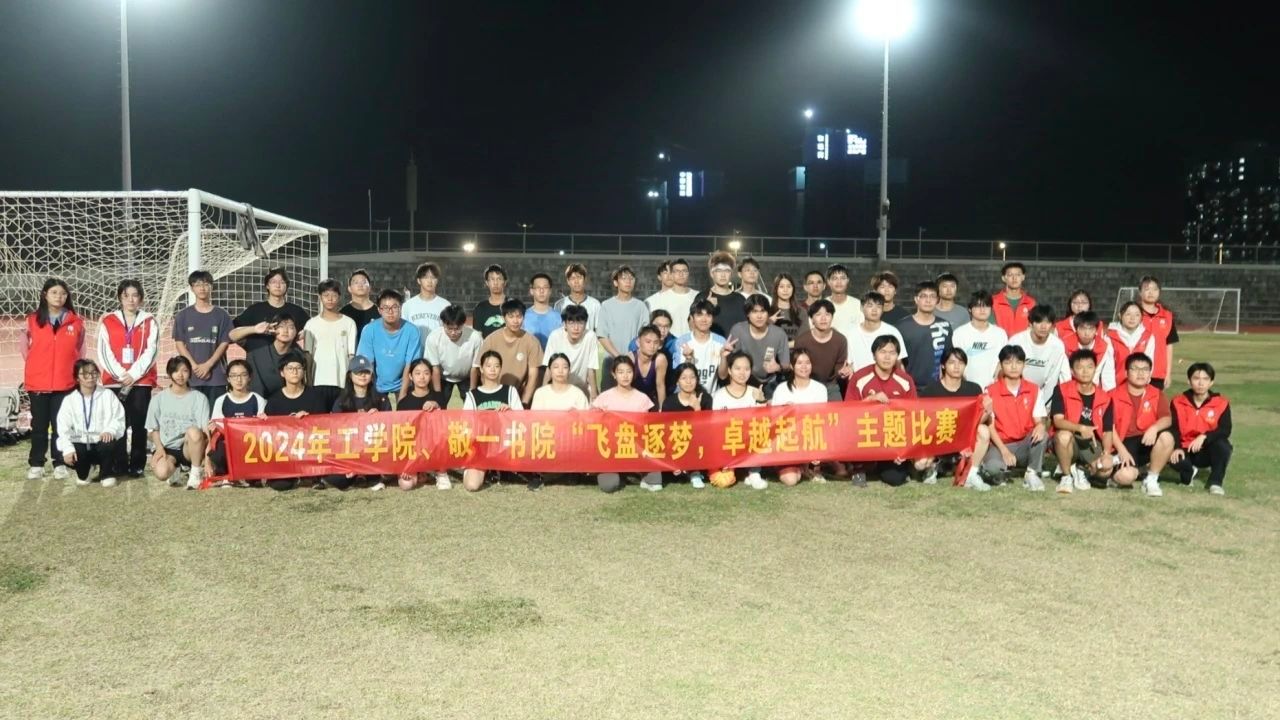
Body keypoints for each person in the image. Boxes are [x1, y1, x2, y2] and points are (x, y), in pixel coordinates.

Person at [21, 278, 85, 481]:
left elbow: (80, 350)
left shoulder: (76, 321)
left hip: (65, 383)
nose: (59, 297)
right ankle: (37, 463)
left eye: (63, 293)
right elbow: (24, 349)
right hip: (38, 383)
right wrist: (37, 366)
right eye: (54, 292)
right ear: (45, 295)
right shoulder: (32, 320)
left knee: (61, 427)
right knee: (39, 426)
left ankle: (60, 463)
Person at [97, 279, 159, 479]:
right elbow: (103, 351)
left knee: (140, 424)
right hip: (114, 381)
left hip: (140, 381)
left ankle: (137, 465)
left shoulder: (150, 321)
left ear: (141, 298)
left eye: (135, 295)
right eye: (126, 296)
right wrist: (119, 375)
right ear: (120, 298)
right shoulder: (108, 321)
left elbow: (152, 350)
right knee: (117, 424)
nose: (131, 300)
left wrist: (134, 374)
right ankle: (119, 463)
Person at [846, 336, 921, 487]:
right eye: (883, 352)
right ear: (874, 355)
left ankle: (888, 464)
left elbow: (913, 416)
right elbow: (848, 412)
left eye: (892, 353)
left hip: (893, 436)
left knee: (895, 479)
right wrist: (869, 400)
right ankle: (859, 468)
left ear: (897, 356)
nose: (887, 357)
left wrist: (903, 449)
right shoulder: (860, 377)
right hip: (866, 433)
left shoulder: (905, 380)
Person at [920, 348, 994, 491]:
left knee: (983, 430)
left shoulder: (973, 389)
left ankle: (971, 474)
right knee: (920, 464)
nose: (956, 366)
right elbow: (922, 421)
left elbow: (978, 420)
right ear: (943, 365)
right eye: (952, 362)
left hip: (964, 437)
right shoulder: (931, 390)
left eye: (960, 363)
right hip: (937, 436)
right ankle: (933, 467)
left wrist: (987, 410)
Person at [1103, 353, 1174, 497]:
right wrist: (1122, 450)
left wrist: (1154, 428)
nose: (1140, 373)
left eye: (1145, 369)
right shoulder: (1112, 395)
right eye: (1135, 369)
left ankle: (1151, 479)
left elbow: (1167, 419)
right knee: (1126, 477)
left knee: (1167, 437)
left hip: (1146, 441)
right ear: (1126, 372)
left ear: (1150, 374)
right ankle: (1131, 472)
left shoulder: (1157, 393)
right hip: (1123, 443)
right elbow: (1110, 427)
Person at [982, 345, 1049, 491]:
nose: (1013, 367)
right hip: (1000, 444)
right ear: (1001, 365)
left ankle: (1032, 473)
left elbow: (1038, 420)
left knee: (1043, 434)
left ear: (1024, 365)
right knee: (993, 469)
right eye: (1008, 362)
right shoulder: (990, 391)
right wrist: (1004, 451)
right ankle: (1002, 470)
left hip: (1024, 443)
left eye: (1018, 362)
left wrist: (1040, 425)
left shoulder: (1034, 389)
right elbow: (990, 426)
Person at [262, 352, 330, 491]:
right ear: (282, 373)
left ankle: (311, 476)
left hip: (310, 450)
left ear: (304, 371)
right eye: (290, 368)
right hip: (284, 452)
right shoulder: (274, 400)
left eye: (298, 368)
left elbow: (324, 426)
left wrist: (308, 420)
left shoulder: (315, 397)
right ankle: (294, 476)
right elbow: (269, 432)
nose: (294, 371)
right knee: (280, 485)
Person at [325, 355, 394, 491]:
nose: (363, 375)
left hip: (373, 449)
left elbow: (390, 428)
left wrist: (378, 419)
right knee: (335, 479)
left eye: (366, 372)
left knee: (388, 469)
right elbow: (334, 430)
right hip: (349, 450)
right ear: (350, 376)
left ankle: (366, 474)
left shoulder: (381, 399)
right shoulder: (341, 401)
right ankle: (358, 473)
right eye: (358, 372)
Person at [1050, 350, 1114, 494]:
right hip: (1070, 439)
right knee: (1063, 436)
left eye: (1089, 367)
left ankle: (1081, 469)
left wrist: (1106, 452)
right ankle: (1066, 476)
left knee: (1105, 470)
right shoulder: (1061, 390)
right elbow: (1058, 421)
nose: (1085, 371)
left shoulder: (1105, 398)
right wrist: (1081, 428)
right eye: (1080, 367)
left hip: (1092, 443)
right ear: (1072, 371)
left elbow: (1107, 430)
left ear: (1095, 369)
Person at [55, 360, 126, 487]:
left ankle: (106, 473)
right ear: (77, 378)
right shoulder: (69, 400)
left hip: (101, 440)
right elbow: (63, 428)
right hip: (81, 440)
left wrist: (110, 430)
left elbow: (119, 418)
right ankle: (86, 470)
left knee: (108, 442)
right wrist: (68, 448)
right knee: (81, 478)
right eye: (85, 374)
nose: (90, 377)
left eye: (94, 373)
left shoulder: (107, 395)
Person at [462, 350, 525, 492]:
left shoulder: (510, 391)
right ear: (481, 369)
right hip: (481, 447)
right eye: (488, 366)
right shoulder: (472, 395)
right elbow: (466, 425)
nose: (492, 369)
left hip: (505, 445)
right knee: (472, 485)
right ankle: (478, 469)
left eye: (496, 366)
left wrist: (510, 412)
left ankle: (498, 469)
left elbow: (522, 422)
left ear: (501, 369)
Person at [145, 356, 211, 490]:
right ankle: (176, 470)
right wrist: (159, 448)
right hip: (168, 448)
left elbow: (206, 431)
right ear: (169, 374)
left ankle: (195, 473)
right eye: (175, 371)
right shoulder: (158, 399)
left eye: (185, 371)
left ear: (190, 373)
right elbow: (152, 429)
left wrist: (208, 458)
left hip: (189, 447)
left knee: (193, 431)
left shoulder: (200, 398)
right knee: (161, 473)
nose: (180, 375)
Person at [530, 352, 592, 492]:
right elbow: (534, 421)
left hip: (571, 440)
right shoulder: (541, 393)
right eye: (556, 367)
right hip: (547, 438)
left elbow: (587, 422)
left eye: (564, 367)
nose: (560, 371)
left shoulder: (577, 393)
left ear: (569, 370)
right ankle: (538, 475)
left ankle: (573, 472)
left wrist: (577, 417)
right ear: (550, 370)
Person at [1169, 362, 1232, 496]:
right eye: (1196, 378)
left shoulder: (1221, 403)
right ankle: (1188, 473)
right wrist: (1177, 447)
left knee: (1223, 445)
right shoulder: (1177, 401)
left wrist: (1204, 437)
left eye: (1205, 379)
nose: (1201, 383)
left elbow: (1225, 429)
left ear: (1211, 382)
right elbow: (1173, 427)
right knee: (1173, 458)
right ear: (1189, 381)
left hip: (1206, 449)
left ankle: (1215, 482)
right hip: (1185, 448)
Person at [771, 348, 830, 485]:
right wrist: (785, 411)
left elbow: (821, 419)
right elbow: (774, 421)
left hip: (810, 437)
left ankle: (811, 466)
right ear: (792, 366)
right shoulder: (782, 389)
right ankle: (797, 467)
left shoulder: (820, 389)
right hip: (788, 441)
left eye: (807, 363)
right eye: (799, 363)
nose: (804, 366)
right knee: (790, 480)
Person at [172, 270, 233, 405]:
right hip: (191, 376)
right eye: (198, 284)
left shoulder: (222, 315)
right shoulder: (183, 315)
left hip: (216, 377)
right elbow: (179, 343)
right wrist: (194, 366)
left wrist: (208, 365)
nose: (202, 288)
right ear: (192, 288)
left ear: (211, 286)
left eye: (206, 284)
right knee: (192, 414)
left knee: (214, 415)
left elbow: (224, 343)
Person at [203, 359, 267, 486]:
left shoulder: (258, 400)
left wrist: (264, 420)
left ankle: (250, 475)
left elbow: (263, 430)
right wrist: (207, 460)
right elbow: (215, 432)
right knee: (219, 448)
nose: (239, 379)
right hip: (229, 443)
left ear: (250, 377)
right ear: (228, 379)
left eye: (243, 375)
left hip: (250, 444)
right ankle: (226, 475)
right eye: (234, 376)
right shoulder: (221, 400)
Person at [711, 351, 768, 490]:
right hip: (728, 441)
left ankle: (754, 472)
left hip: (750, 440)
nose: (742, 373)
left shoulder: (755, 392)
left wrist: (761, 401)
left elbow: (763, 423)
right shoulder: (719, 396)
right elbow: (715, 426)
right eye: (738, 368)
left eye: (747, 369)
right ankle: (735, 469)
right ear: (729, 370)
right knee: (725, 480)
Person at [356, 289, 423, 405]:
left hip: (404, 381)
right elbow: (367, 363)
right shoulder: (369, 330)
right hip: (377, 382)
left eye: (394, 307)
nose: (390, 312)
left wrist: (402, 397)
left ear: (401, 308)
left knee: (405, 411)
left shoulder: (412, 331)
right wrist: (372, 392)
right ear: (379, 310)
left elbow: (410, 365)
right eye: (385, 308)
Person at [472, 298, 542, 407]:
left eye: (519, 316)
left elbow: (533, 376)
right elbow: (481, 370)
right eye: (511, 316)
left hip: (519, 396)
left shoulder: (532, 342)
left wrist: (524, 403)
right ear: (504, 318)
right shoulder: (491, 339)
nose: (515, 321)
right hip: (494, 395)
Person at [303, 279, 358, 410]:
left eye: (334, 295)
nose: (330, 299)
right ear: (320, 297)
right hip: (318, 381)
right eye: (326, 295)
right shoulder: (311, 324)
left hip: (341, 382)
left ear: (339, 297)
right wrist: (309, 381)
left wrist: (350, 382)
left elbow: (351, 355)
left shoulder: (349, 323)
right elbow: (308, 355)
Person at [229, 268, 309, 354]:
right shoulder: (255, 309)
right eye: (273, 282)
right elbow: (232, 332)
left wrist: (300, 335)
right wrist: (254, 330)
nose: (278, 285)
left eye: (282, 282)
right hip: (258, 359)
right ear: (267, 285)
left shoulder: (296, 311)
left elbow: (311, 329)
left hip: (287, 359)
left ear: (286, 286)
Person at [1009, 305, 1070, 413]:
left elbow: (1052, 379)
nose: (1043, 326)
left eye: (1047, 322)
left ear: (1052, 325)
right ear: (1031, 323)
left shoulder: (1057, 346)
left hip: (1041, 396)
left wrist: (1044, 408)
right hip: (1015, 394)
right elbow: (1007, 372)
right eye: (1039, 322)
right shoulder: (1016, 341)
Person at [596, 265, 650, 388]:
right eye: (624, 278)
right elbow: (602, 335)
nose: (628, 281)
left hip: (635, 361)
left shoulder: (641, 306)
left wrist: (632, 356)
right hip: (611, 361)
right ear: (616, 282)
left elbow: (646, 335)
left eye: (631, 278)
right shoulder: (606, 305)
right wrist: (618, 357)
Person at [661, 362, 713, 488]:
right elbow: (665, 432)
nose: (689, 381)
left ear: (697, 379)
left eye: (692, 377)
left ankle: (695, 472)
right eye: (684, 378)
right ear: (677, 382)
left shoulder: (705, 399)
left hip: (698, 444)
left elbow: (706, 430)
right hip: (676, 445)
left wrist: (697, 410)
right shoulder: (669, 402)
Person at [397, 359, 446, 489]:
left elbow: (445, 425)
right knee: (406, 484)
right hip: (412, 449)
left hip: (433, 448)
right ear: (410, 376)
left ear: (431, 376)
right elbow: (400, 433)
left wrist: (436, 406)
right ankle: (418, 471)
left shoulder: (439, 397)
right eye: (417, 373)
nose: (422, 377)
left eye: (426, 373)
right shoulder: (404, 403)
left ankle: (438, 472)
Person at [729, 293, 790, 396]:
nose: (759, 316)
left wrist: (778, 368)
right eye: (754, 311)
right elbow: (731, 364)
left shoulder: (779, 334)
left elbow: (786, 365)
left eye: (763, 311)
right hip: (744, 381)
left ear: (768, 313)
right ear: (748, 314)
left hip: (771, 382)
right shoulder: (738, 330)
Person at [894, 281, 952, 390]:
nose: (928, 300)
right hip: (909, 388)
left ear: (937, 300)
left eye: (932, 296)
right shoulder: (901, 326)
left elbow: (949, 357)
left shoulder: (944, 325)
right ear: (916, 299)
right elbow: (896, 360)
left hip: (938, 388)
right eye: (924, 296)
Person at [947, 290, 1008, 387]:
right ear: (970, 309)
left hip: (993, 388)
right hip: (966, 387)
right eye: (978, 306)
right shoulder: (959, 333)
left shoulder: (1000, 334)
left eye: (986, 306)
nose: (982, 310)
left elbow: (1004, 360)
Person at [793, 299, 850, 401]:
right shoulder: (802, 341)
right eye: (818, 314)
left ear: (832, 317)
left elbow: (840, 367)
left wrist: (842, 372)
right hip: (807, 385)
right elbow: (797, 366)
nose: (823, 318)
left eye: (827, 314)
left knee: (838, 410)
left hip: (831, 386)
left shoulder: (840, 340)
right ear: (812, 319)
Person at [425, 304, 481, 407]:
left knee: (472, 405)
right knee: (438, 405)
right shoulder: (433, 337)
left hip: (467, 376)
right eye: (449, 329)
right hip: (443, 377)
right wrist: (438, 395)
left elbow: (475, 368)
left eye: (457, 329)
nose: (453, 333)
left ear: (463, 324)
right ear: (443, 324)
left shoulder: (475, 337)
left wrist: (472, 392)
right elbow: (435, 368)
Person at [246, 312, 312, 400]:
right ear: (273, 329)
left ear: (297, 331)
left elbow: (307, 384)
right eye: (281, 326)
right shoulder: (256, 355)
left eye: (290, 327)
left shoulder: (301, 356)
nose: (285, 331)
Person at [543, 304, 600, 399]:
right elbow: (549, 369)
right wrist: (543, 393)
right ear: (565, 324)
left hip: (581, 388)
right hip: (558, 386)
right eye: (571, 323)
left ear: (585, 324)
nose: (576, 328)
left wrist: (594, 395)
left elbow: (591, 369)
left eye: (580, 323)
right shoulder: (555, 336)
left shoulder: (590, 336)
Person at [673, 300, 730, 395]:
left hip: (711, 397)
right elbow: (678, 376)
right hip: (686, 396)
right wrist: (688, 359)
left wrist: (723, 357)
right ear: (692, 318)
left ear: (713, 318)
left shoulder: (720, 342)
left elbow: (723, 376)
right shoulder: (682, 342)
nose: (704, 319)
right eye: (699, 315)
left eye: (708, 315)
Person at [847, 292, 907, 374]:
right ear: (861, 308)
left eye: (878, 306)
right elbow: (849, 363)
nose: (874, 310)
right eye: (870, 305)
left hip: (887, 379)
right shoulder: (852, 334)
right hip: (859, 380)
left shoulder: (892, 332)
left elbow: (898, 363)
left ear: (882, 310)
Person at [1137, 275, 1178, 389]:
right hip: (1136, 371)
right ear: (1140, 292)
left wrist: (1168, 373)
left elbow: (1169, 346)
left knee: (1155, 400)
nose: (1151, 292)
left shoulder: (1167, 316)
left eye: (1155, 289)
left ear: (1159, 292)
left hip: (1158, 373)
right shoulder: (1133, 314)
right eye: (1147, 289)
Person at [694, 252, 748, 337]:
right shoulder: (702, 297)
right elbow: (692, 325)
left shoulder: (740, 299)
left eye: (727, 271)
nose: (723, 275)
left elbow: (747, 327)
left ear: (731, 274)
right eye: (719, 270)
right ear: (712, 273)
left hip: (735, 344)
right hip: (711, 344)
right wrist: (706, 307)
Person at [1060, 311, 1115, 391]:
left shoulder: (1104, 346)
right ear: (1076, 329)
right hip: (1070, 388)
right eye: (1082, 328)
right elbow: (1064, 375)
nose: (1086, 333)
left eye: (1091, 329)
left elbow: (1108, 374)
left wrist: (1109, 395)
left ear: (1096, 330)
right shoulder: (1064, 344)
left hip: (1093, 389)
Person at [644, 258, 696, 336]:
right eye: (677, 271)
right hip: (669, 342)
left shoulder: (698, 296)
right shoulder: (658, 299)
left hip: (693, 341)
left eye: (684, 271)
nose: (681, 274)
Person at [402, 262, 450, 338]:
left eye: (433, 277)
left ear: (437, 280)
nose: (429, 281)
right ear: (418, 280)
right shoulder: (408, 305)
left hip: (437, 345)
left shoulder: (445, 305)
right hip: (415, 346)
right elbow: (404, 332)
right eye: (425, 277)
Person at [553, 263, 601, 332]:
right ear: (568, 281)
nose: (576, 281)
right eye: (573, 278)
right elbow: (557, 330)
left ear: (585, 279)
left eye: (579, 277)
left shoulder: (595, 304)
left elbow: (598, 331)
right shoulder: (559, 305)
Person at [992, 262, 1036, 336]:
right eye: (1010, 275)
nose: (1014, 278)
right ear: (1003, 278)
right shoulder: (993, 301)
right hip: (1001, 342)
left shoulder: (1031, 303)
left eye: (1018, 275)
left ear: (1023, 277)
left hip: (1022, 343)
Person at [630, 325, 669, 407]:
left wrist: (662, 409)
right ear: (638, 342)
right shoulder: (630, 359)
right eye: (648, 342)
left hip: (651, 400)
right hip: (631, 399)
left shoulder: (660, 360)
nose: (652, 346)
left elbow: (660, 385)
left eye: (656, 342)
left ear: (660, 344)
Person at [523, 272, 563, 350]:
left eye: (545, 287)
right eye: (538, 287)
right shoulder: (523, 317)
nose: (541, 291)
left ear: (550, 291)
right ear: (531, 291)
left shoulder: (558, 318)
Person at [340, 268, 380, 345]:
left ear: (370, 287)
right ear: (349, 288)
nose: (360, 285)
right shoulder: (343, 313)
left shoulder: (379, 312)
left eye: (364, 282)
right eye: (356, 282)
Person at [473, 264, 513, 339]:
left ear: (505, 282)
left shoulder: (513, 305)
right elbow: (477, 336)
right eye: (492, 279)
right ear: (487, 283)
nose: (495, 283)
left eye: (499, 279)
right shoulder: (480, 308)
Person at [825, 263, 864, 336]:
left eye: (842, 278)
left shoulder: (857, 305)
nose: (839, 282)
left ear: (848, 280)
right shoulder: (822, 305)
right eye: (834, 278)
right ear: (828, 282)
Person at [770, 273, 809, 344]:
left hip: (796, 350)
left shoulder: (801, 312)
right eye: (781, 286)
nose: (785, 290)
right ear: (776, 289)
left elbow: (804, 339)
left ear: (793, 289)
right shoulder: (767, 311)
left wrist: (785, 346)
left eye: (789, 286)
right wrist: (768, 323)